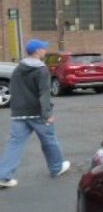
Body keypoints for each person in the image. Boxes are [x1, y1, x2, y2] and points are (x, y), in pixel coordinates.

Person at [0, 39, 70, 188]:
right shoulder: (41, 69)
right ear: (37, 51)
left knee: (15, 144)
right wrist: (47, 113)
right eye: (43, 49)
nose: (45, 51)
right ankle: (56, 168)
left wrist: (16, 108)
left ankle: (3, 176)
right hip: (37, 113)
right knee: (49, 140)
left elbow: (13, 89)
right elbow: (44, 93)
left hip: (18, 113)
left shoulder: (19, 68)